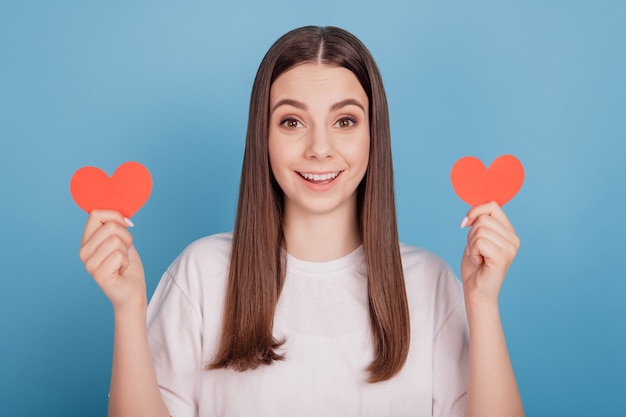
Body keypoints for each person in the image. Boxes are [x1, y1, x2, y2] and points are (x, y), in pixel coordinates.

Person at [79, 26, 524, 417]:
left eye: (345, 120)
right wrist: (128, 309)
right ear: (263, 136)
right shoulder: (200, 274)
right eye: (292, 121)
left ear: (374, 134)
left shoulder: (430, 283)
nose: (320, 149)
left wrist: (483, 304)